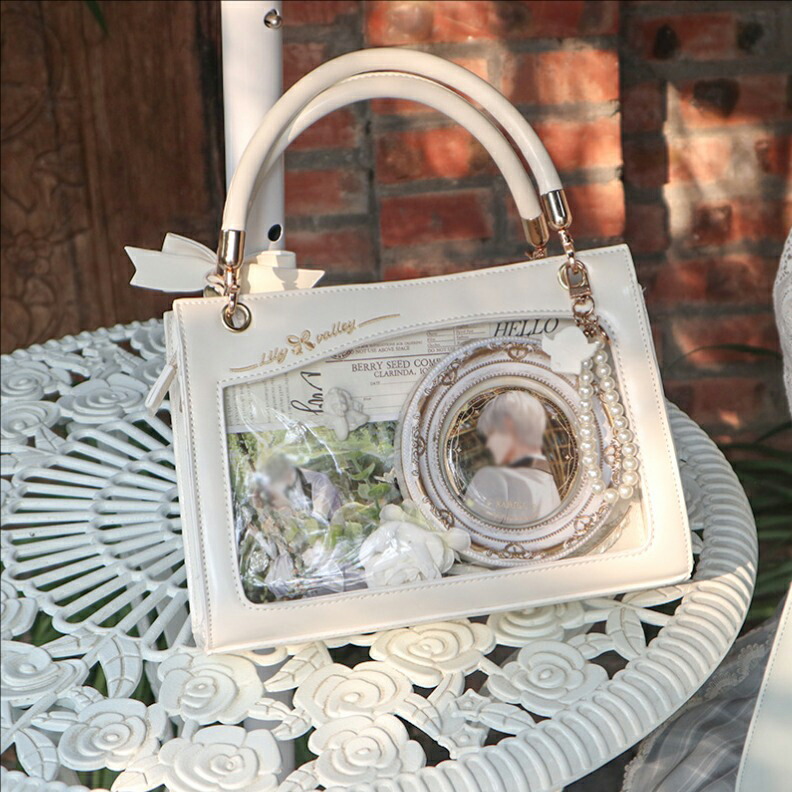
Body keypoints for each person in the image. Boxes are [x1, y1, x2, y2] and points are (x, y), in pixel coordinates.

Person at [464, 390, 561, 525]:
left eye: (491, 434)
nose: (489, 445)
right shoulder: (549, 484)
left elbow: (465, 527)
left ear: (507, 425)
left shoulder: (491, 477)